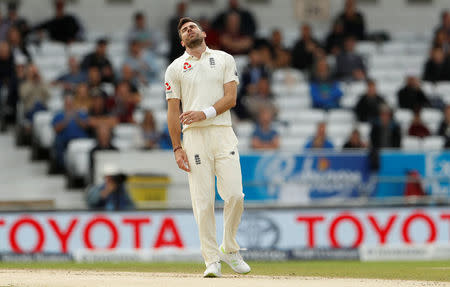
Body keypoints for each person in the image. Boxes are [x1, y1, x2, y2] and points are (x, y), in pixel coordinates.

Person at [165, 17, 250, 278]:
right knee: (203, 202)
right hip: (194, 138)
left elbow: (231, 98)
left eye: (192, 26)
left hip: (223, 132)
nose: (189, 30)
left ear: (203, 32)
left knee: (235, 195)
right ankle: (211, 260)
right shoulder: (175, 68)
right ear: (182, 41)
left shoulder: (224, 59)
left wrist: (203, 113)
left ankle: (229, 247)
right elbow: (172, 111)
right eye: (184, 30)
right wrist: (177, 148)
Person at [51, 95, 90, 172]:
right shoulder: (58, 115)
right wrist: (66, 120)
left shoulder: (80, 114)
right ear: (64, 105)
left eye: (71, 104)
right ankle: (62, 167)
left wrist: (77, 118)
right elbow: (56, 129)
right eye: (67, 104)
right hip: (64, 139)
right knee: (57, 142)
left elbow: (86, 127)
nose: (69, 106)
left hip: (79, 139)